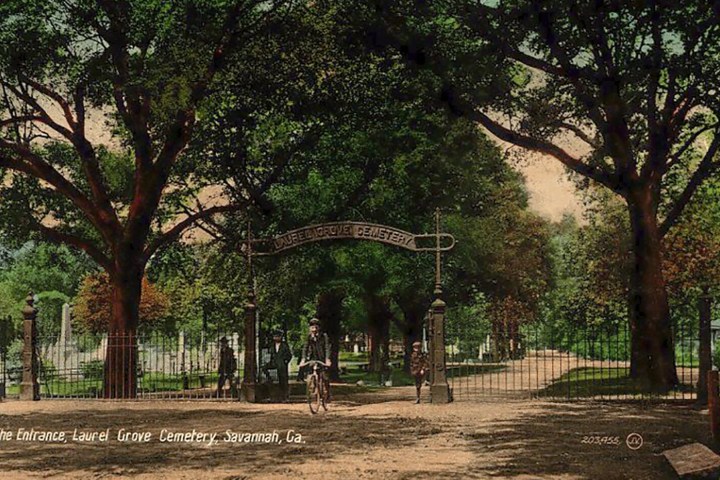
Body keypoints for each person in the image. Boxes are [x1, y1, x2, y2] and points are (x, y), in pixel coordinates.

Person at [299, 318, 331, 400]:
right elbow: (305, 348)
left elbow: (327, 347)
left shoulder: (324, 336)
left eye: (315, 327)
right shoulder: (309, 337)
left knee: (324, 376)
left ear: (318, 328)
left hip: (322, 358)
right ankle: (313, 389)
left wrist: (327, 359)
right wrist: (303, 359)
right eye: (312, 327)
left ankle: (326, 392)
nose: (314, 330)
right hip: (313, 357)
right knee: (310, 372)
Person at [267, 330, 292, 401]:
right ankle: (273, 396)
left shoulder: (284, 345)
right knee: (273, 380)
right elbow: (270, 355)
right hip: (274, 364)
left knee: (283, 381)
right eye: (275, 336)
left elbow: (289, 355)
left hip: (282, 365)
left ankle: (285, 397)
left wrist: (285, 362)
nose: (276, 338)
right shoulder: (271, 345)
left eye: (278, 336)